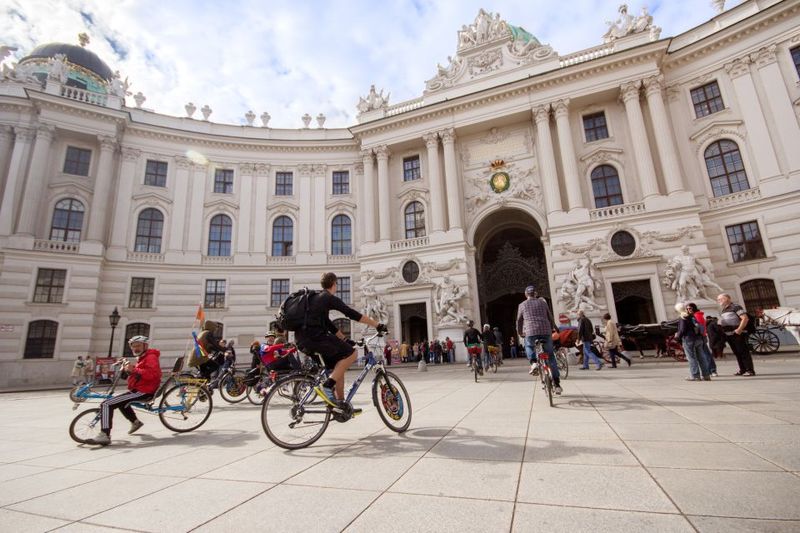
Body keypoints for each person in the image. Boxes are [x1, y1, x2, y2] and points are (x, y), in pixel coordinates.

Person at [297, 272, 384, 415]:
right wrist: (377, 324)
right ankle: (328, 385)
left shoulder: (316, 298)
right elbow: (351, 313)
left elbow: (329, 325)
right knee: (353, 353)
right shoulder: (328, 297)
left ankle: (340, 405)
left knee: (340, 363)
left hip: (302, 339)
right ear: (334, 284)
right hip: (315, 337)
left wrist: (344, 339)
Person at [87, 335, 162, 446]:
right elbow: (140, 372)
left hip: (144, 391)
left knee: (107, 404)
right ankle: (135, 422)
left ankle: (105, 435)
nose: (135, 348)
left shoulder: (150, 357)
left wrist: (135, 370)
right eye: (133, 346)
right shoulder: (144, 357)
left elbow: (154, 375)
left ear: (145, 346)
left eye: (138, 346)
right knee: (121, 402)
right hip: (140, 389)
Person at [517, 285, 562, 394]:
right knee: (551, 356)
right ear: (535, 294)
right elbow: (550, 317)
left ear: (526, 294)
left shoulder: (522, 305)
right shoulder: (543, 303)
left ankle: (533, 362)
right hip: (546, 331)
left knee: (529, 345)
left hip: (531, 331)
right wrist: (555, 329)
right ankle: (557, 384)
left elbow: (519, 320)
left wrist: (519, 333)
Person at [716, 293, 756, 376]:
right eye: (718, 299)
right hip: (729, 334)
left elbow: (745, 318)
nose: (719, 301)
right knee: (737, 352)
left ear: (728, 299)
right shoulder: (724, 309)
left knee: (743, 352)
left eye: (721, 299)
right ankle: (742, 369)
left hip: (738, 334)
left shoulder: (736, 307)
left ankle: (750, 370)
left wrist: (739, 329)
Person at [675, 302, 711, 381]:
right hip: (698, 338)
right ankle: (706, 375)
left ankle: (695, 376)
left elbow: (682, 329)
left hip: (689, 339)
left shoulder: (683, 317)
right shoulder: (692, 316)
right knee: (701, 357)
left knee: (691, 358)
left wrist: (678, 337)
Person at [685, 302, 717, 376]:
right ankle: (711, 370)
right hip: (700, 336)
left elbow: (700, 327)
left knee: (705, 354)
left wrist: (701, 335)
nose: (688, 310)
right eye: (687, 309)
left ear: (694, 308)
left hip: (700, 337)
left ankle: (712, 370)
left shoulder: (697, 315)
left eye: (690, 308)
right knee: (704, 354)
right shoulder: (695, 315)